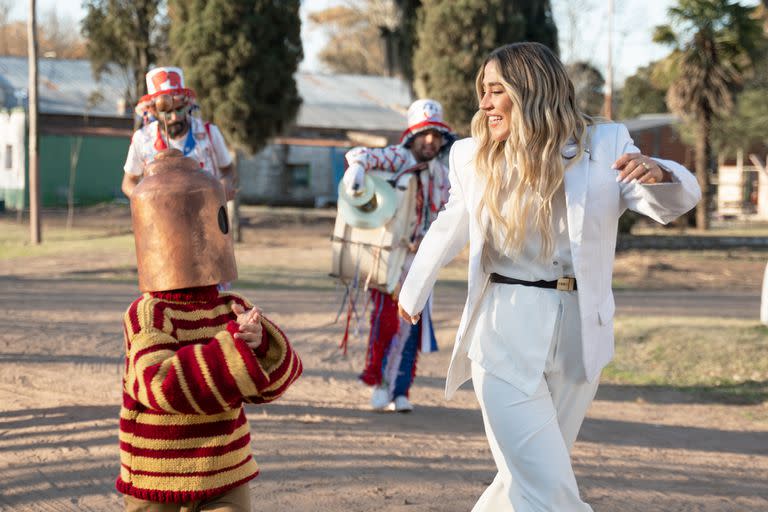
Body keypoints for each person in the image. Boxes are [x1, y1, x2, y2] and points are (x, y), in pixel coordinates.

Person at [397, 42, 701, 510]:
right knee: (547, 485)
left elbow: (666, 203)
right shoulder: (470, 155)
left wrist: (659, 172)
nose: (484, 103)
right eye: (483, 90)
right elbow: (452, 222)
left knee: (522, 480)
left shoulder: (606, 145)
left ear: (531, 90)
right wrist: (413, 290)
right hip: (502, 332)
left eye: (496, 90)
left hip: (581, 336)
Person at [117, 150, 302, 511]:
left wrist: (260, 344)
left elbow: (279, 380)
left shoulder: (229, 306)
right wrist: (231, 351)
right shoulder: (149, 313)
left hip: (224, 471)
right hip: (157, 476)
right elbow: (158, 383)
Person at [341, 99, 456, 412]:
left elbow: (448, 212)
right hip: (388, 260)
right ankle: (379, 383)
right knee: (386, 323)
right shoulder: (398, 158)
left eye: (436, 135)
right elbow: (359, 154)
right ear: (413, 135)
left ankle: (401, 389)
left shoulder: (442, 174)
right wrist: (359, 170)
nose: (431, 141)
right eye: (425, 134)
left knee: (412, 326)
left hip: (420, 261)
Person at [121, 66, 235, 201]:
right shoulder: (142, 139)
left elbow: (228, 169)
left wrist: (226, 183)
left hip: (207, 215)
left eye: (179, 109)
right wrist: (147, 199)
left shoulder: (209, 132)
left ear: (187, 105)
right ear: (152, 111)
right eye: (167, 112)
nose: (175, 117)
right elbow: (128, 182)